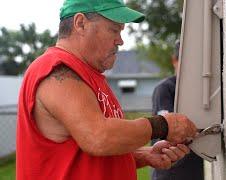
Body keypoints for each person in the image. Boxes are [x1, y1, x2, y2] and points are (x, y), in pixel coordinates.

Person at [16, 0, 198, 179]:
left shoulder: (89, 74)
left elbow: (90, 151)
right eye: (114, 30)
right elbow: (98, 136)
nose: (120, 41)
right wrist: (163, 125)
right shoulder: (55, 69)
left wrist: (144, 155)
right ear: (81, 24)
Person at [151, 41, 204, 180]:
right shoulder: (165, 89)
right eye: (186, 61)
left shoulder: (199, 91)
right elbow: (169, 132)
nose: (191, 66)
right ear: (175, 61)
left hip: (194, 170)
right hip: (170, 172)